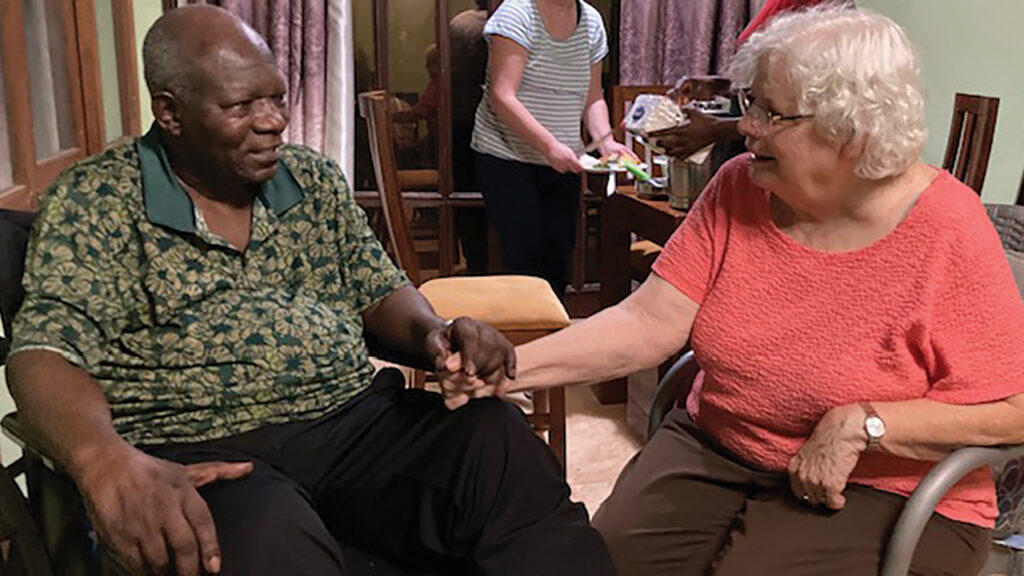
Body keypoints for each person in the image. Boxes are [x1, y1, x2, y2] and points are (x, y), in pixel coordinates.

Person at [5, 6, 615, 576]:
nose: (272, 121)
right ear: (170, 112)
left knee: (497, 445)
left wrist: (436, 336)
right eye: (241, 105)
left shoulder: (310, 179)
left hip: (353, 421)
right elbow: (45, 353)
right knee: (269, 537)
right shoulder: (99, 201)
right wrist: (102, 459)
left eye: (276, 97)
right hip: (204, 449)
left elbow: (379, 291)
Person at [443, 6, 1024, 575]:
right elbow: (648, 323)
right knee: (596, 560)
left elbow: (1015, 409)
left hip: (880, 487)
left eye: (772, 114)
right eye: (751, 104)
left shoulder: (946, 226)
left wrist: (867, 423)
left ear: (851, 131)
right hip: (717, 448)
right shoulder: (738, 187)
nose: (746, 127)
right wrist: (509, 367)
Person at [471, 0, 634, 296]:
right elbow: (501, 95)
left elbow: (593, 97)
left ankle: (549, 337)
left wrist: (605, 142)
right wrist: (549, 146)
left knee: (558, 261)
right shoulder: (517, 13)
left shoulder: (592, 22)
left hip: (563, 159)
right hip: (507, 155)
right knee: (525, 262)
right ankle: (519, 338)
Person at [652, 0, 828, 163]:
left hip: (780, 158)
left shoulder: (832, 14)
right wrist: (726, 86)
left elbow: (813, 114)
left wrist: (716, 129)